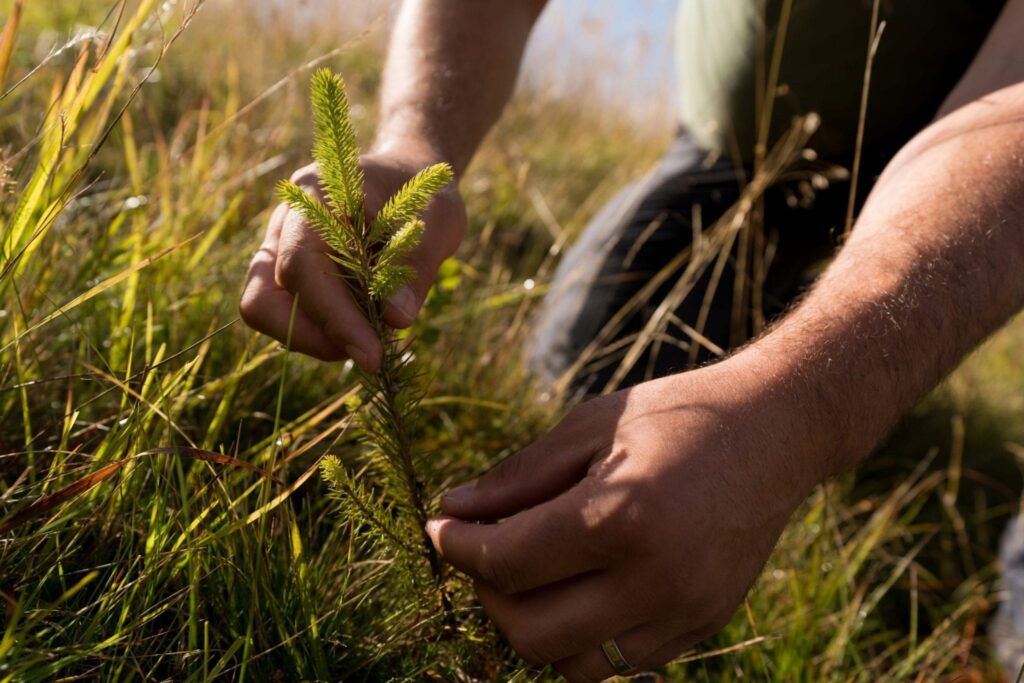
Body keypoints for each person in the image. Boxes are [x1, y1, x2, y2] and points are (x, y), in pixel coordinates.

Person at [239, 1, 1024, 680]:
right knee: (586, 393)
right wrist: (414, 145)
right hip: (729, 157)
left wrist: (792, 414)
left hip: (983, 169)